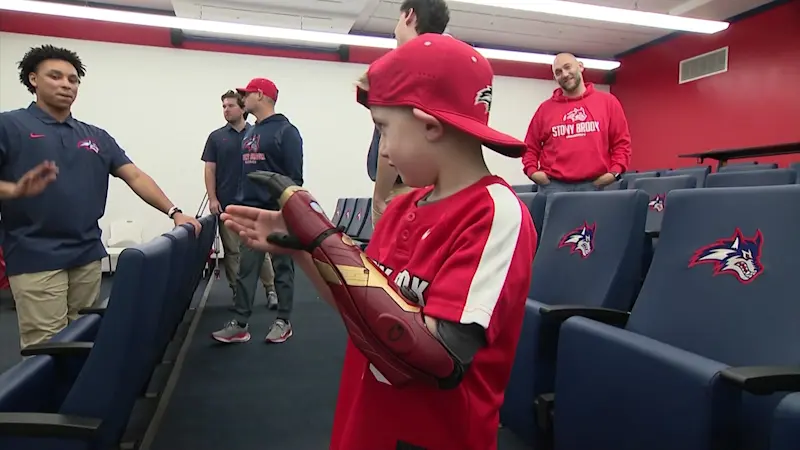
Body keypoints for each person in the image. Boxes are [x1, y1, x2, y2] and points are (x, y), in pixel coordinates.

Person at [222, 34, 537, 450]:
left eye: (383, 130)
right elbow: (358, 305)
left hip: (436, 435)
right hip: (367, 422)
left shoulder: (495, 212)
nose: (383, 151)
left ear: (430, 126)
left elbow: (437, 356)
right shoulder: (404, 208)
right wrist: (301, 247)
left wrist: (325, 238)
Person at [0, 45, 201, 350]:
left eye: (73, 79)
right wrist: (14, 190)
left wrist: (174, 211)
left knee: (84, 336)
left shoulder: (95, 135)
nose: (66, 84)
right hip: (35, 254)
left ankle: (80, 397)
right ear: (33, 80)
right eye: (55, 76)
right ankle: (50, 400)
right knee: (47, 346)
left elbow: (134, 175)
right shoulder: (9, 125)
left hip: (86, 252)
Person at [211, 78, 303, 344]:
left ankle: (283, 321)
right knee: (245, 270)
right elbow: (246, 174)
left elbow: (294, 178)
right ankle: (240, 323)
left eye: (246, 94)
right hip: (251, 212)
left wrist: (287, 213)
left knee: (282, 268)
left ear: (261, 95)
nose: (243, 98)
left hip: (277, 213)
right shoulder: (250, 133)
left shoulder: (286, 132)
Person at [367, 0, 450, 225]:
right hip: (433, 189)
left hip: (401, 191)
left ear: (409, 16)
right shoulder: (443, 66)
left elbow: (392, 139)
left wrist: (379, 196)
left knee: (390, 260)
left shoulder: (400, 67)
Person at [201, 90, 278, 310]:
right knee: (232, 251)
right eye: (223, 106)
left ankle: (270, 290)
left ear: (242, 108)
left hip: (254, 203)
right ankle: (238, 292)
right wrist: (213, 198)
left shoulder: (257, 134)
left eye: (230, 106)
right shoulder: (216, 138)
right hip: (227, 203)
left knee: (258, 249)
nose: (226, 110)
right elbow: (209, 169)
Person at [522, 52, 632, 193]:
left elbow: (622, 144)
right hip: (554, 187)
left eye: (568, 67)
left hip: (597, 184)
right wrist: (532, 172)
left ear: (580, 66)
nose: (565, 74)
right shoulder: (545, 109)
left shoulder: (608, 102)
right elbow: (529, 147)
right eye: (558, 72)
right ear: (555, 78)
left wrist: (614, 173)